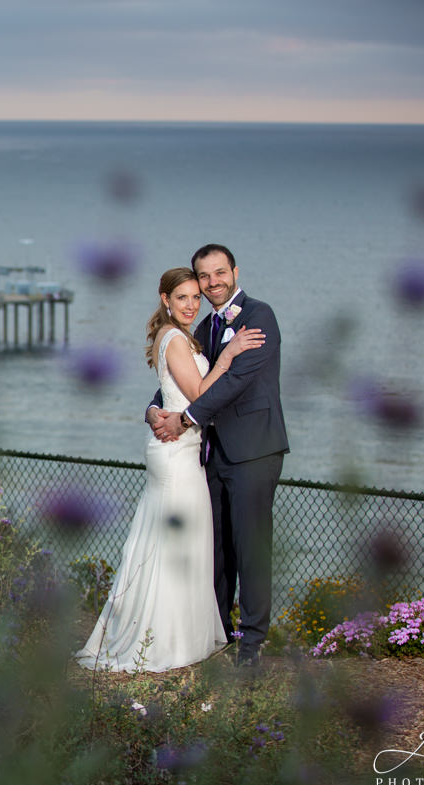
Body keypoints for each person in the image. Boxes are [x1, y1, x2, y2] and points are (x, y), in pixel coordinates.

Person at [76, 267, 263, 673]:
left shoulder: (176, 336)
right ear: (165, 299)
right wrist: (229, 355)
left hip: (181, 449)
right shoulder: (175, 338)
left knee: (174, 542)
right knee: (175, 545)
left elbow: (172, 393)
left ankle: (177, 637)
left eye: (196, 297)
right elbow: (199, 394)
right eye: (183, 297)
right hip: (176, 454)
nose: (192, 304)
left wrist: (153, 409)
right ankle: (162, 642)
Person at [148, 244, 288, 668]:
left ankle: (252, 644)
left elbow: (238, 381)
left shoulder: (259, 316)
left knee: (251, 548)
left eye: (219, 273)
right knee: (218, 550)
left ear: (234, 271)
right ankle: (218, 633)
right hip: (211, 455)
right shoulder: (204, 327)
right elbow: (186, 379)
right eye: (203, 277)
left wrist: (185, 418)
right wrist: (153, 409)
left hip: (253, 452)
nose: (212, 283)